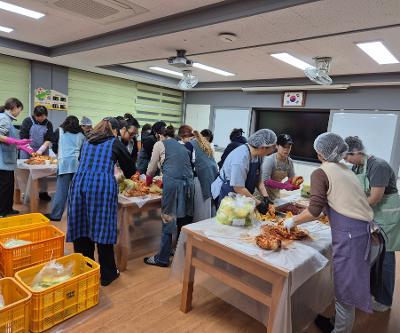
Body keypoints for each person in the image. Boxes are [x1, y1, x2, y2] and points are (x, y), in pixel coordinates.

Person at [283, 133, 376, 333]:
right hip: (361, 232)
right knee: (345, 282)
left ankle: (340, 329)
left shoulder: (321, 172)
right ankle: (337, 322)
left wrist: (291, 221)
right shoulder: (346, 169)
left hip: (350, 235)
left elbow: (314, 210)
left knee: (345, 288)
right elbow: (335, 200)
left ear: (320, 152)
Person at [67, 117, 136, 286]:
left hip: (79, 184)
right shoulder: (114, 143)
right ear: (115, 130)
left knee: (82, 225)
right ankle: (107, 274)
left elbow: (83, 161)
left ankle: (85, 271)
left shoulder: (87, 140)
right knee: (102, 226)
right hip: (101, 186)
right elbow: (130, 169)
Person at [344, 136, 400, 312]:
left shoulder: (378, 166)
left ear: (356, 152)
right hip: (372, 214)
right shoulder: (357, 166)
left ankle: (384, 301)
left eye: (346, 156)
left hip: (386, 216)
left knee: (385, 257)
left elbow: (375, 197)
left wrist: (353, 207)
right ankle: (369, 290)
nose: (345, 160)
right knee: (371, 255)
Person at [144, 125, 194, 267]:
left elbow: (152, 167)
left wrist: (148, 182)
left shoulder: (159, 144)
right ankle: (178, 253)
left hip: (173, 185)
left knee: (168, 218)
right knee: (182, 220)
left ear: (160, 135)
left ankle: (162, 258)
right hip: (188, 186)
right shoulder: (182, 146)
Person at [211, 129, 277, 213]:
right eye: (272, 148)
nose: (273, 150)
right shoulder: (241, 158)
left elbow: (258, 180)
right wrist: (258, 203)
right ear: (263, 147)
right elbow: (238, 188)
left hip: (242, 195)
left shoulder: (259, 156)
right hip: (227, 193)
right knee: (227, 220)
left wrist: (265, 197)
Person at [0, 98, 33, 217]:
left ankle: (8, 208)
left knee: (9, 186)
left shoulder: (8, 120)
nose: (19, 112)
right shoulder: (3, 118)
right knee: (4, 187)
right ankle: (2, 212)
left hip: (7, 160)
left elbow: (10, 140)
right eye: (20, 109)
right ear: (14, 107)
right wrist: (16, 142)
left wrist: (21, 145)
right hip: (2, 160)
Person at [48, 116, 85, 221]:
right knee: (76, 192)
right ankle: (76, 217)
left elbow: (54, 145)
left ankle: (56, 216)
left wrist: (58, 153)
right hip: (77, 164)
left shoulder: (59, 131)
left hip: (64, 163)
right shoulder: (81, 134)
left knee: (61, 191)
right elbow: (83, 150)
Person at [20, 105, 54, 201]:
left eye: (43, 116)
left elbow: (48, 139)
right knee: (26, 171)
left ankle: (43, 192)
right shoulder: (28, 121)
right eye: (38, 117)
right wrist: (30, 150)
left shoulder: (48, 124)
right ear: (34, 115)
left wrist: (41, 150)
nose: (40, 119)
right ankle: (26, 192)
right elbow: (23, 137)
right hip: (26, 148)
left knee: (43, 172)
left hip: (42, 149)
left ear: (46, 115)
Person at [189, 130, 219, 222]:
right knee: (209, 207)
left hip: (201, 179)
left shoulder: (193, 144)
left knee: (201, 209)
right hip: (211, 177)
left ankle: (200, 227)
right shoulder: (207, 145)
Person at [262, 134, 300, 200]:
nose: (286, 150)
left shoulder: (289, 162)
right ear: (277, 146)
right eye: (284, 147)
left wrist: (294, 183)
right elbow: (265, 181)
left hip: (275, 194)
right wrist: (284, 186)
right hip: (262, 195)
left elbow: (292, 178)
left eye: (289, 147)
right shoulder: (270, 160)